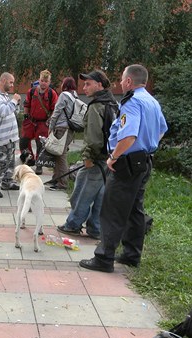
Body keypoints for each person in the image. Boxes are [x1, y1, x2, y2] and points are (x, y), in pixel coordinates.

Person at [79, 64, 168, 272]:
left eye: (121, 79)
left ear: (129, 81)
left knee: (112, 210)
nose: (119, 83)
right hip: (144, 161)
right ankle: (131, 255)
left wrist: (113, 157)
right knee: (134, 210)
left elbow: (128, 136)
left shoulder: (132, 102)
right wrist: (147, 146)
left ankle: (104, 258)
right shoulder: (152, 101)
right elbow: (162, 129)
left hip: (127, 163)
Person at [57, 71, 118, 240]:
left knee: (81, 193)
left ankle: (73, 225)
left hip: (96, 158)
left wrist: (88, 157)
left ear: (99, 85)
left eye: (88, 84)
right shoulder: (113, 103)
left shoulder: (96, 106)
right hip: (109, 158)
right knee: (100, 195)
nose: (84, 88)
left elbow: (93, 137)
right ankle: (96, 229)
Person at [0, 72, 21, 198]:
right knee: (0, 163)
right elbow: (3, 111)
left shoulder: (5, 96)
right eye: (10, 82)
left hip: (11, 136)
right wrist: (14, 101)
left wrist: (15, 104)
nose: (12, 85)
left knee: (10, 162)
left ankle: (7, 181)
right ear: (3, 80)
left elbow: (12, 111)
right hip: (2, 137)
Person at [21, 70, 58, 175]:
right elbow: (27, 104)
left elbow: (55, 109)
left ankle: (39, 164)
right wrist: (25, 116)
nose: (43, 83)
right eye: (42, 80)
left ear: (49, 82)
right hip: (31, 120)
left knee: (40, 144)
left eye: (46, 81)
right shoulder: (32, 91)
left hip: (43, 122)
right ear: (39, 80)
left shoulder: (52, 93)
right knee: (23, 141)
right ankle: (30, 159)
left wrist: (50, 120)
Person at [46, 77, 77, 191]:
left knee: (60, 155)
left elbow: (56, 112)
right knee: (58, 154)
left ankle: (62, 183)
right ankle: (56, 179)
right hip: (70, 129)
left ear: (65, 85)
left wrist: (50, 127)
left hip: (61, 128)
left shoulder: (64, 95)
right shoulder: (75, 96)